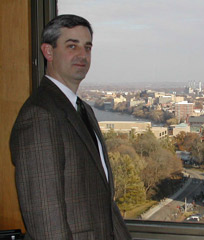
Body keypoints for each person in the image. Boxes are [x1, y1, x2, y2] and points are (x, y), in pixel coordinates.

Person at [10, 14, 132, 240]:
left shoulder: (84, 110)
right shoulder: (40, 116)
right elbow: (46, 218)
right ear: (48, 52)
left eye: (87, 47)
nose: (82, 55)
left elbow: (103, 200)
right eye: (72, 46)